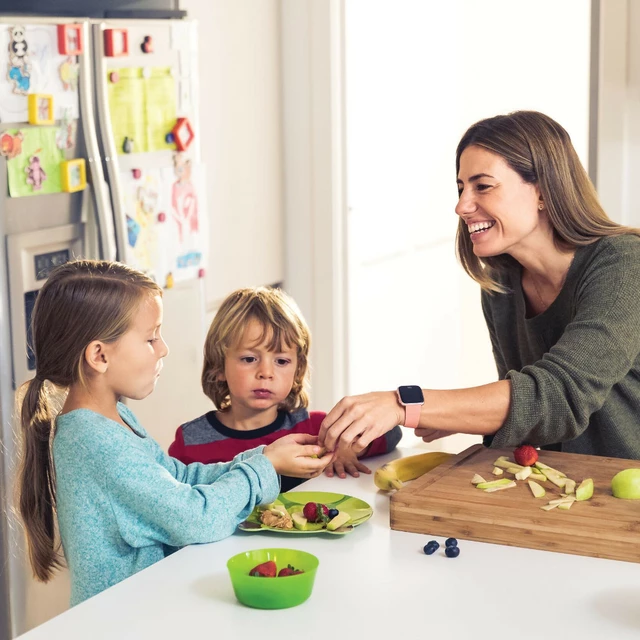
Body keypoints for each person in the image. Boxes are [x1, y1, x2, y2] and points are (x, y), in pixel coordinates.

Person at [318, 110, 640, 462]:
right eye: (460, 188)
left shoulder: (624, 265)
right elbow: (534, 417)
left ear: (544, 192)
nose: (462, 206)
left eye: (482, 186)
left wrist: (405, 403)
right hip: (564, 490)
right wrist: (459, 415)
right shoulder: (501, 283)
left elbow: (558, 396)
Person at [16, 260, 330, 606]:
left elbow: (178, 476)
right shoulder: (94, 443)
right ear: (99, 356)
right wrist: (264, 469)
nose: (163, 348)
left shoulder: (113, 417)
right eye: (151, 338)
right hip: (123, 622)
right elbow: (196, 518)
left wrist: (264, 456)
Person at [168, 286, 402, 490]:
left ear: (297, 371)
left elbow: (392, 434)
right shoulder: (190, 443)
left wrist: (347, 448)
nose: (266, 373)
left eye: (281, 361)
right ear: (219, 366)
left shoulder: (315, 430)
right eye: (249, 359)